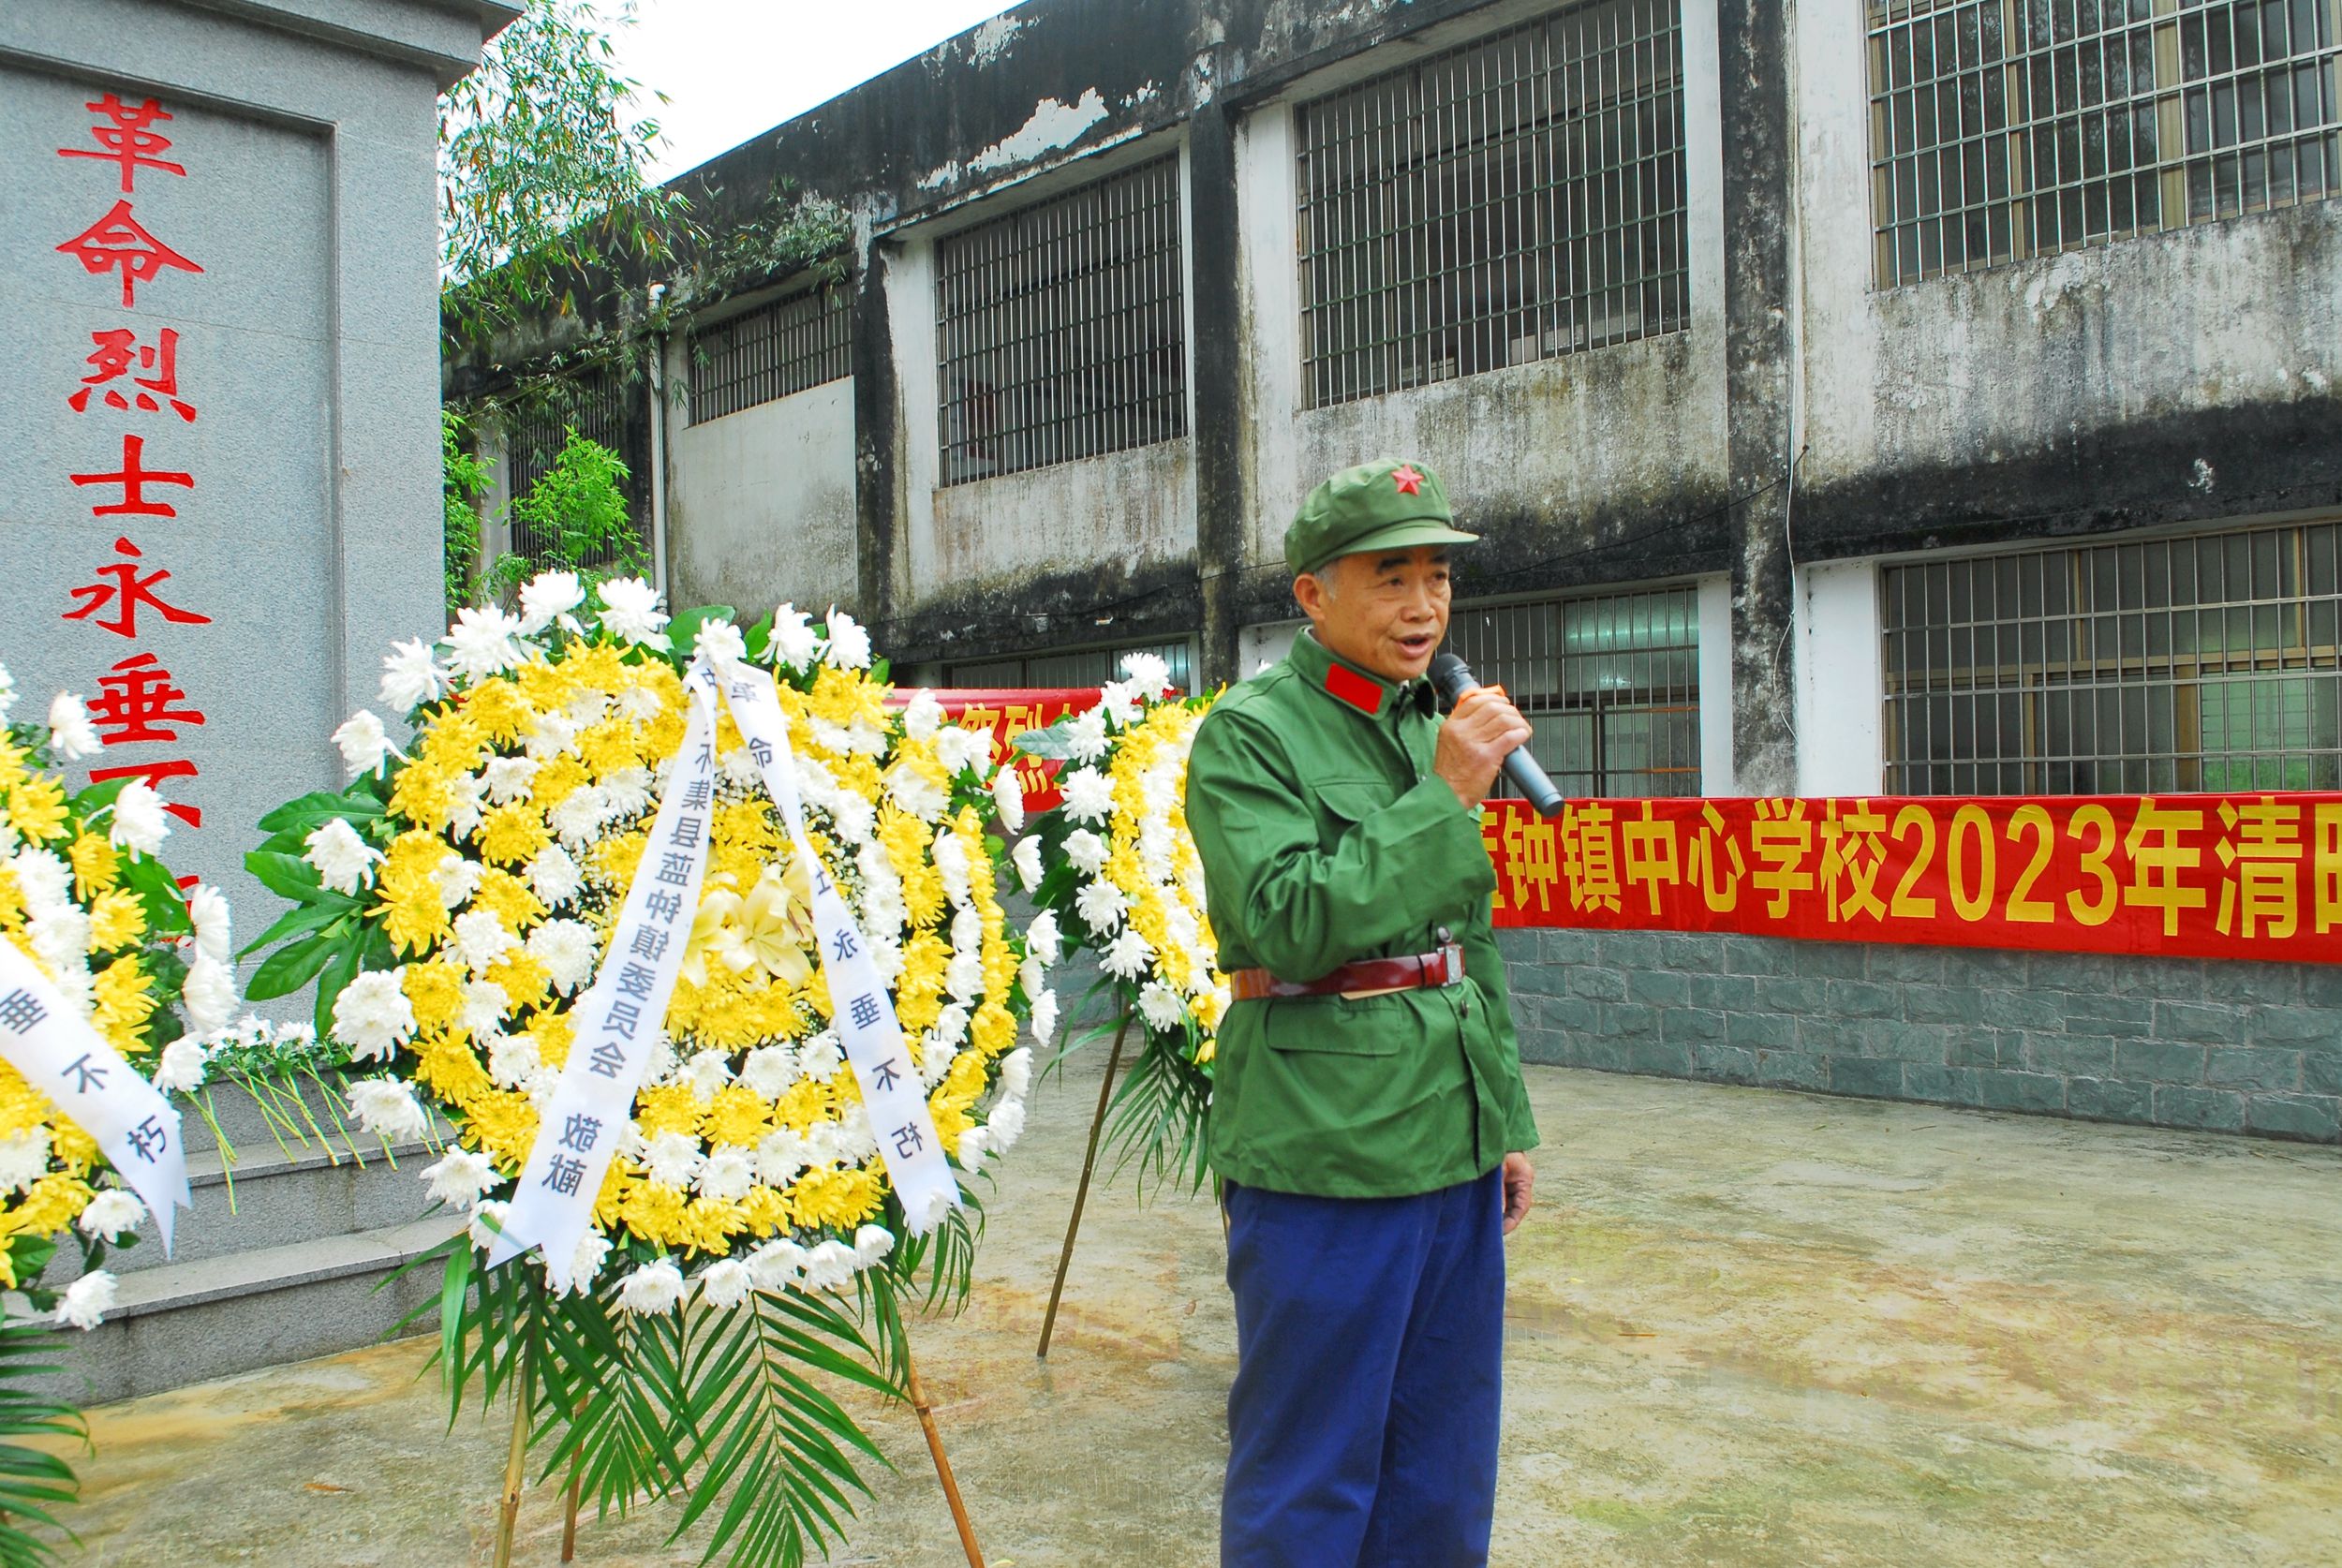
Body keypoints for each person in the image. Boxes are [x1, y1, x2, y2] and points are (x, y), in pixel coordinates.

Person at [1186, 457, 1542, 1567]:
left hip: (1452, 1135)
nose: (1425, 606)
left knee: (1440, 1466)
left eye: (1437, 577)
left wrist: (1509, 1119)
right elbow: (1288, 920)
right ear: (1311, 594)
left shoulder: (1420, 721)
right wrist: (1441, 796)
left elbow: (1461, 941)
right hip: (1324, 1143)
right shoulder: (1251, 735)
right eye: (1391, 578)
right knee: (1311, 1471)